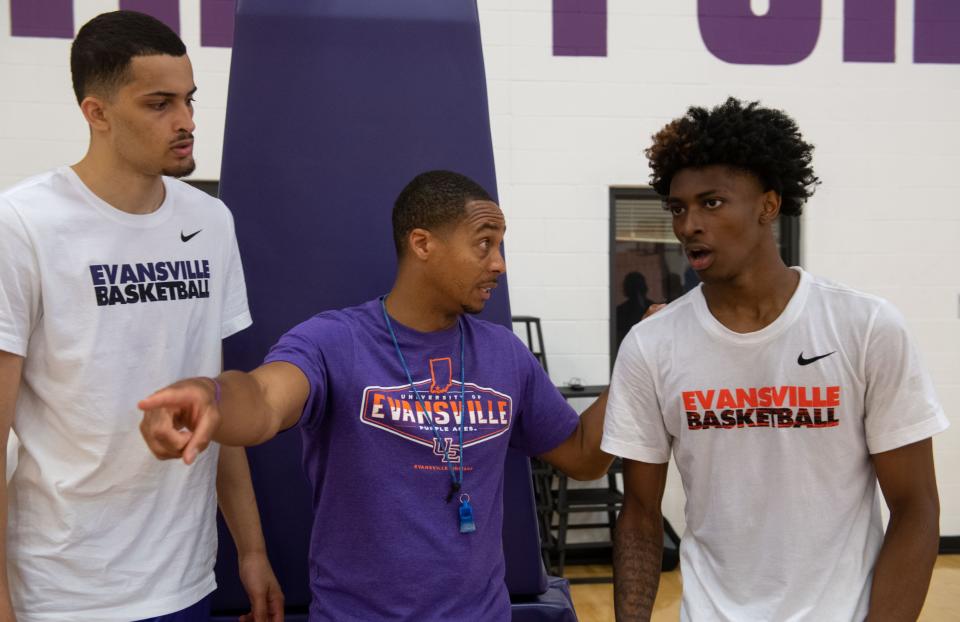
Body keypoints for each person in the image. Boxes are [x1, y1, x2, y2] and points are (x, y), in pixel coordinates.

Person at [138, 170, 613, 621]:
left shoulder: (505, 355)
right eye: (484, 244)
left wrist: (638, 359)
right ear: (422, 243)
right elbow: (264, 397)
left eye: (500, 246)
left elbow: (584, 456)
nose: (498, 264)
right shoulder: (334, 341)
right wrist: (211, 396)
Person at [603, 97, 948, 621]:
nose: (688, 224)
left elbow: (916, 507)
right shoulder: (652, 344)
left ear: (767, 205)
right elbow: (641, 515)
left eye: (712, 203)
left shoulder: (866, 326)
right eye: (677, 207)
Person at [0, 11, 283, 621]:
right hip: (62, 589)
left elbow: (214, 397)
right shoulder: (21, 224)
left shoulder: (210, 222)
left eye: (188, 99)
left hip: (184, 578)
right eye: (159, 104)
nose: (186, 122)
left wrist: (252, 548)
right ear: (96, 113)